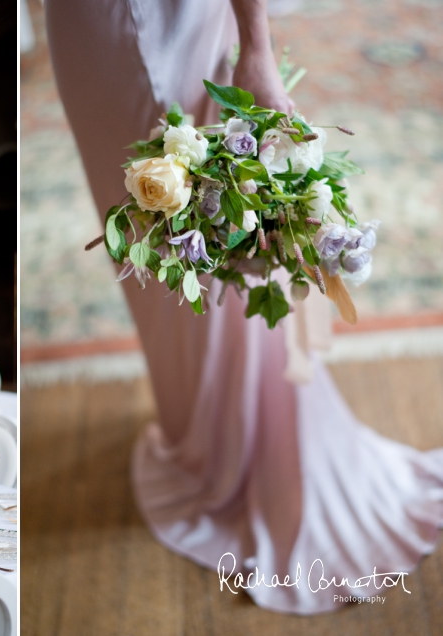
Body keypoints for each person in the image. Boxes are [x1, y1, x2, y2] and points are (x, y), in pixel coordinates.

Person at [46, 0, 443, 614]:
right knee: (152, 240)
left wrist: (256, 44)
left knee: (203, 226)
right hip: (82, 24)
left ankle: (245, 444)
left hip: (160, 19)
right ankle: (201, 429)